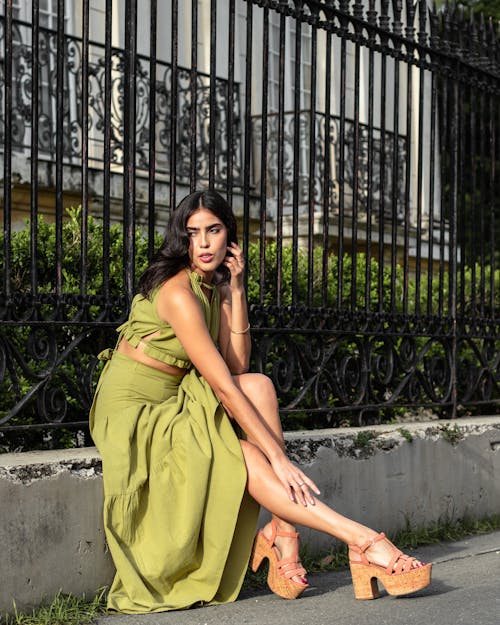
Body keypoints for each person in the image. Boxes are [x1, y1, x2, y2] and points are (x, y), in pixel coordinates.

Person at [90, 189, 432, 614]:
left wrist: (235, 289)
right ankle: (362, 541)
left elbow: (237, 365)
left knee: (260, 385)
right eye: (193, 233)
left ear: (228, 235)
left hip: (175, 395)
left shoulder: (209, 285)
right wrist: (279, 459)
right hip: (136, 407)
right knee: (248, 451)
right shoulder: (178, 292)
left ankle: (285, 533)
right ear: (181, 239)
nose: (204, 243)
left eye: (213, 230)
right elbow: (223, 387)